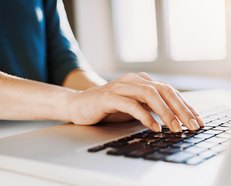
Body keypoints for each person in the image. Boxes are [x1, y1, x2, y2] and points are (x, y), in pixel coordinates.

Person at [0, 0, 204, 133]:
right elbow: (73, 100)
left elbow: (65, 63)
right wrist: (73, 103)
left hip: (45, 131)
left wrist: (110, 96)